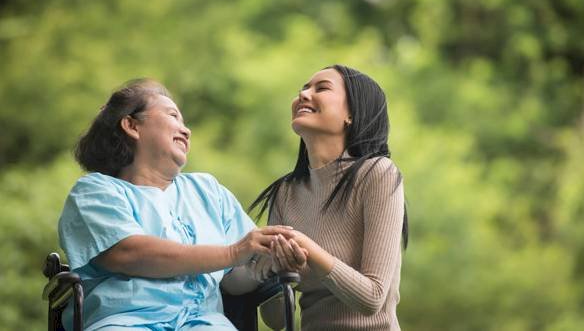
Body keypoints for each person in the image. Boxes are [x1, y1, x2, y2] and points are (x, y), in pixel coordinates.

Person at [58, 79, 295, 331]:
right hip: (125, 321)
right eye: (173, 116)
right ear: (131, 125)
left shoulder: (209, 191)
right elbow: (130, 253)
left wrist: (266, 266)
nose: (186, 130)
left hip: (204, 323)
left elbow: (233, 281)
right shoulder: (95, 191)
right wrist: (233, 252)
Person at [249, 65, 408, 330]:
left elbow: (372, 298)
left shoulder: (378, 174)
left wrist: (307, 249)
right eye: (303, 87)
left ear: (351, 114)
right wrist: (275, 270)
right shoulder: (286, 193)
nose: (303, 94)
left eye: (321, 88)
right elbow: (276, 321)